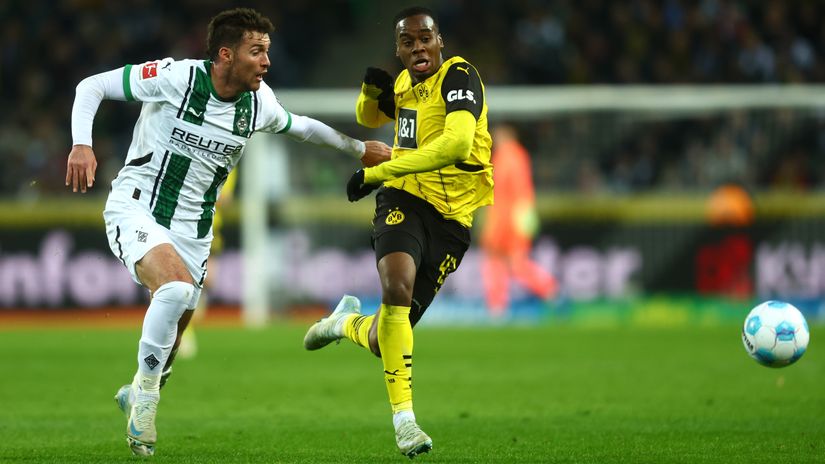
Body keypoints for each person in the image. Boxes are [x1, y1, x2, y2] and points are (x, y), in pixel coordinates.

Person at [65, 8, 390, 457]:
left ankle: (138, 388)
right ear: (225, 54)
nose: (266, 61)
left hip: (195, 230)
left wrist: (358, 148)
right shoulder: (176, 77)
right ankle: (145, 398)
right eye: (256, 51)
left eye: (267, 52)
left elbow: (303, 128)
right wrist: (82, 142)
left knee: (174, 337)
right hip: (136, 208)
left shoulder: (258, 104)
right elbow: (91, 86)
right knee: (176, 291)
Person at [302, 6, 493, 458]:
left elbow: (457, 145)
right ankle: (405, 422)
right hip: (404, 198)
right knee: (396, 287)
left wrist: (375, 172)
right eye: (407, 42)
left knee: (384, 334)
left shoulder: (459, 76)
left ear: (439, 41)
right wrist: (369, 95)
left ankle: (343, 323)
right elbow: (370, 118)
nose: (417, 48)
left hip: (453, 221)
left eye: (424, 38)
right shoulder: (406, 85)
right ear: (398, 49)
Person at [480, 123, 557, 317]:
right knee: (507, 264)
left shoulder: (510, 157)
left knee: (505, 263)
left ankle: (499, 306)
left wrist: (517, 218)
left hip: (506, 220)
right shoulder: (512, 156)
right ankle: (547, 291)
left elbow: (518, 192)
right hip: (507, 218)